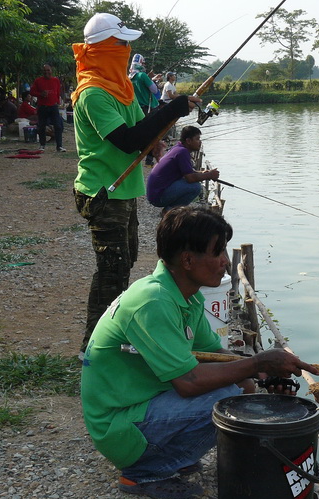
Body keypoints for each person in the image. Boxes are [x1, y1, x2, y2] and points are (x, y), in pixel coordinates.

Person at [81, 206, 319, 499]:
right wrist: (256, 362)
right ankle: (142, 473)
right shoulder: (152, 302)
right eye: (217, 252)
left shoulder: (185, 296)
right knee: (226, 400)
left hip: (139, 408)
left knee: (241, 386)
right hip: (117, 426)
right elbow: (189, 382)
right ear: (188, 260)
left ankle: (164, 455)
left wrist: (261, 374)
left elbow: (212, 353)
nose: (224, 263)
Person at [71, 12, 202, 362]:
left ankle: (111, 338)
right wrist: (170, 108)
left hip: (126, 190)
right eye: (122, 43)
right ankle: (94, 350)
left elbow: (143, 128)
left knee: (125, 263)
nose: (128, 49)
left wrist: (167, 121)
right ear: (103, 49)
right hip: (104, 193)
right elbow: (129, 141)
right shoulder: (93, 93)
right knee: (111, 269)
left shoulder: (122, 87)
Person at [146, 126, 219, 211]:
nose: (200, 142)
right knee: (196, 187)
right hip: (158, 196)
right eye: (197, 139)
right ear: (188, 141)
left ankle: (170, 210)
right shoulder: (182, 152)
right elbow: (190, 178)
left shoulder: (178, 148)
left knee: (193, 184)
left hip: (154, 193)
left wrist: (203, 173)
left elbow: (188, 172)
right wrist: (209, 175)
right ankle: (170, 211)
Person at [30, 64, 65, 151]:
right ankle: (42, 145)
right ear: (42, 72)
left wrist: (58, 101)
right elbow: (32, 92)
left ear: (51, 71)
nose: (46, 72)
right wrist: (40, 94)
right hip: (42, 106)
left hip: (53, 106)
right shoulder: (38, 81)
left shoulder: (56, 80)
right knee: (41, 126)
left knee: (58, 126)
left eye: (48, 70)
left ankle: (59, 146)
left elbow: (58, 91)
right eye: (45, 70)